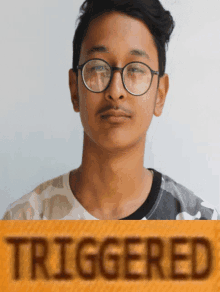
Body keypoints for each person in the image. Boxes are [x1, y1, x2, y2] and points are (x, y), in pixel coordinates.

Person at [2, 0, 219, 220]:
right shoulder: (25, 221)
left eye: (135, 69)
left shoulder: (199, 226)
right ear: (74, 89)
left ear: (160, 94)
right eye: (98, 68)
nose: (115, 91)